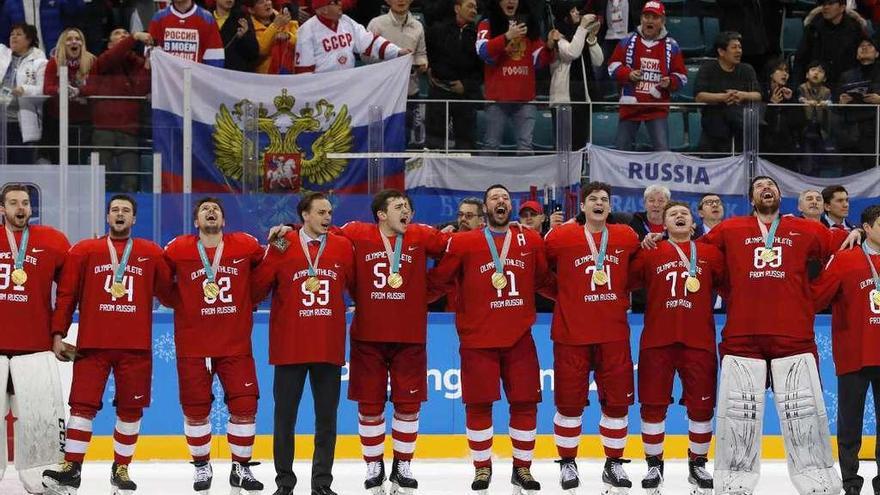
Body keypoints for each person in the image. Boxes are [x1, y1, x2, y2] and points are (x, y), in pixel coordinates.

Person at [644, 176, 855, 495]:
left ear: (780, 196)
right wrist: (658, 239)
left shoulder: (806, 229)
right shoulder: (730, 229)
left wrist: (815, 293)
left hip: (793, 335)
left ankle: (815, 477)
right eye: (759, 187)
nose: (766, 189)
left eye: (771, 185)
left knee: (805, 411)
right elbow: (693, 256)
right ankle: (734, 478)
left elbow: (844, 254)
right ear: (750, 198)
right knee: (738, 415)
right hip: (743, 336)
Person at [428, 184, 554, 493]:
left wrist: (577, 299)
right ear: (486, 208)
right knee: (478, 404)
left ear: (510, 207)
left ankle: (522, 469)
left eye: (506, 197)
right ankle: (482, 468)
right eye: (495, 197)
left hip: (519, 337)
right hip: (477, 339)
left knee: (525, 403)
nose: (501, 201)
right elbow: (440, 281)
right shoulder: (464, 242)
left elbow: (543, 281)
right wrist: (404, 300)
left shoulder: (531, 240)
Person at [43, 194, 173, 494]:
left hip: (135, 347)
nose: (120, 214)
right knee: (81, 406)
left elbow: (170, 294)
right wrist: (58, 333)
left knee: (131, 410)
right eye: (115, 210)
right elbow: (66, 296)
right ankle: (72, 467)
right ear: (107, 216)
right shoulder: (84, 251)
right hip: (92, 345)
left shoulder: (150, 253)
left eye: (126, 210)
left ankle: (121, 468)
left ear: (134, 219)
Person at [338, 190, 448, 494]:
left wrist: (424, 293)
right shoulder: (356, 233)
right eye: (399, 207)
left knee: (408, 403)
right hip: (367, 336)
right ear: (381, 214)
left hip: (409, 335)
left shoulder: (422, 236)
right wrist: (283, 236)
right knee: (370, 404)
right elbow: (317, 236)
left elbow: (456, 253)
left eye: (409, 208)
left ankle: (403, 464)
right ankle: (374, 464)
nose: (407, 212)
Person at [252, 192, 354, 495]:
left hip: (327, 346)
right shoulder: (283, 243)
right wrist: (272, 244)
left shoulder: (342, 246)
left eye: (329, 213)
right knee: (285, 419)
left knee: (327, 421)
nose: (327, 217)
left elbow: (357, 286)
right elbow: (257, 288)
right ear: (304, 215)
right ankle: (285, 483)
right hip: (290, 348)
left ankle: (322, 483)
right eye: (320, 212)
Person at [542, 181, 640, 492]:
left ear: (610, 207)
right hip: (572, 334)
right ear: (582, 207)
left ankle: (613, 464)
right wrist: (565, 297)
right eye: (593, 199)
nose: (599, 203)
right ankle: (568, 463)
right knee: (569, 405)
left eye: (604, 199)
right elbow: (538, 272)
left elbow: (637, 273)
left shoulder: (627, 236)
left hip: (613, 335)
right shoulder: (561, 237)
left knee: (617, 405)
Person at [163, 197, 265, 494]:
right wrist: (179, 302)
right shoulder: (178, 248)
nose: (210, 212)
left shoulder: (244, 244)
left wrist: (251, 299)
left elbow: (269, 267)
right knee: (196, 410)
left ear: (224, 220)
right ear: (196, 222)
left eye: (216, 209)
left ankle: (241, 468)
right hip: (193, 344)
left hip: (235, 343)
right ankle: (201, 466)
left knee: (245, 405)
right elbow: (159, 279)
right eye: (204, 210)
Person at [629, 201, 724, 494]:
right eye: (673, 214)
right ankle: (654, 464)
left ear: (693, 224)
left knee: (702, 407)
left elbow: (732, 287)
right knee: (653, 406)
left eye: (685, 213)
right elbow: (626, 282)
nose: (680, 216)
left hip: (700, 341)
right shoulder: (651, 252)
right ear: (663, 225)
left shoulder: (710, 254)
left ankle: (698, 465)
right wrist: (640, 246)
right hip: (658, 340)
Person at [0, 184, 70, 494]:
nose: (20, 208)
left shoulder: (52, 242)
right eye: (13, 202)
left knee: (41, 419)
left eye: (25, 202)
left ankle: (42, 480)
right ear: (2, 208)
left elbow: (68, 293)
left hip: (36, 348)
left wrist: (59, 332)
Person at [811, 204, 880, 495]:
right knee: (849, 424)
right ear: (866, 227)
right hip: (854, 353)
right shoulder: (844, 259)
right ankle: (851, 482)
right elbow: (817, 298)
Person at [476, 0, 558, 152]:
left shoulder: (528, 24)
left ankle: (526, 177)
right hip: (497, 99)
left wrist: (549, 46)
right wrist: (506, 36)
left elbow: (538, 61)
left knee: (525, 148)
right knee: (491, 145)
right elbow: (483, 51)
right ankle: (485, 176)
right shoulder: (487, 23)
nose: (511, 1)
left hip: (525, 99)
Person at [608, 1, 686, 151]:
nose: (649, 21)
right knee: (620, 151)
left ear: (662, 21)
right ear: (641, 19)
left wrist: (670, 81)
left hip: (656, 108)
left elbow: (682, 76)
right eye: (646, 16)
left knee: (662, 152)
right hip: (630, 107)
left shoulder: (672, 46)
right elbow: (612, 67)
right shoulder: (627, 41)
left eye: (654, 17)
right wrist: (628, 74)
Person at [81, 28, 151, 193]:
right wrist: (134, 36)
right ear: (110, 44)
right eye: (117, 33)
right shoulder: (103, 60)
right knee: (102, 180)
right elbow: (114, 55)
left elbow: (141, 90)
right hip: (103, 129)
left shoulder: (137, 63)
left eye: (126, 34)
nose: (123, 36)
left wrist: (147, 67)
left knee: (131, 180)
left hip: (129, 129)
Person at [367, 0, 428, 146]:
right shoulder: (376, 24)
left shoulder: (418, 26)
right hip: (382, 91)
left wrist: (422, 63)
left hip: (409, 90)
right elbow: (366, 55)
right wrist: (394, 57)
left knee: (404, 137)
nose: (401, 1)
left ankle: (401, 168)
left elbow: (421, 53)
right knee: (379, 137)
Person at [425, 0, 483, 150]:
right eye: (470, 6)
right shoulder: (437, 30)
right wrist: (431, 70)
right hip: (439, 91)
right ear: (457, 8)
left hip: (465, 95)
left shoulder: (478, 35)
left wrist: (465, 85)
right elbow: (428, 54)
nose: (474, 11)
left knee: (466, 145)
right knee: (435, 144)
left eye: (476, 8)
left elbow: (481, 69)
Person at [294, 0, 409, 74]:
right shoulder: (306, 31)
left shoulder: (346, 21)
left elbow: (370, 42)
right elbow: (304, 71)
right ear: (323, 9)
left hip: (347, 85)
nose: (340, 4)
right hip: (323, 90)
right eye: (335, 2)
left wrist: (397, 52)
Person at [694, 31, 761, 154]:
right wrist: (723, 97)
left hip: (741, 126)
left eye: (740, 47)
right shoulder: (708, 68)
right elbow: (699, 96)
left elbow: (757, 95)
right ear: (721, 52)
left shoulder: (747, 69)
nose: (739, 51)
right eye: (734, 47)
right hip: (714, 124)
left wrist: (743, 95)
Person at [549, 4, 603, 150]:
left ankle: (579, 173)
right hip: (564, 101)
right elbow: (572, 53)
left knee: (580, 145)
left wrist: (591, 38)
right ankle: (563, 174)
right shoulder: (557, 35)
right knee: (564, 148)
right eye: (572, 11)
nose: (577, 13)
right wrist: (583, 28)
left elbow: (598, 61)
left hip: (583, 98)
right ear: (565, 16)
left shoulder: (580, 35)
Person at [41, 27, 93, 165]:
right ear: (63, 44)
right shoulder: (55, 62)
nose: (74, 42)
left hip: (83, 122)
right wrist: (60, 90)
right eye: (69, 39)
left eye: (78, 39)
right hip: (57, 120)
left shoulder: (92, 61)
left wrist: (79, 91)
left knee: (78, 161)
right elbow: (47, 88)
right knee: (58, 161)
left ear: (82, 43)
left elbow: (97, 87)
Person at [0, 23, 47, 164]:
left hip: (21, 124)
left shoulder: (40, 62)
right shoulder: (1, 55)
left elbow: (43, 90)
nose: (13, 37)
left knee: (21, 167)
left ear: (29, 39)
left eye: (19, 34)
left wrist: (24, 89)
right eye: (12, 34)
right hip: (0, 121)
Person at [794, 0, 866, 89]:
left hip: (846, 84)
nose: (826, 7)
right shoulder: (813, 28)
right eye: (824, 4)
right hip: (817, 84)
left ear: (842, 8)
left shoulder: (854, 29)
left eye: (831, 4)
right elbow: (801, 58)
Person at [835, 36, 880, 172]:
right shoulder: (846, 76)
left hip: (876, 130)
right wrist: (841, 103)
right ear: (856, 54)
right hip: (852, 132)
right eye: (861, 46)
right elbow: (836, 106)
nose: (864, 48)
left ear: (877, 53)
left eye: (869, 45)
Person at [148, 0, 225, 66]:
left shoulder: (207, 18)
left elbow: (215, 59)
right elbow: (151, 60)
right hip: (168, 81)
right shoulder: (158, 18)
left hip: (196, 81)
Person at [797, 61, 833, 174]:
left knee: (819, 159)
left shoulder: (826, 91)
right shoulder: (802, 88)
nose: (816, 73)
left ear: (825, 78)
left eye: (820, 71)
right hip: (805, 129)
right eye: (813, 70)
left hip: (821, 129)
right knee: (807, 160)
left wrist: (826, 103)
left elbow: (831, 102)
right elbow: (799, 99)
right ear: (807, 75)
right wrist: (806, 101)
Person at [252, 0, 298, 74]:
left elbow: (300, 46)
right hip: (265, 77)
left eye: (268, 0)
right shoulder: (250, 28)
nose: (267, 3)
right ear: (251, 10)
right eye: (261, 2)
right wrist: (274, 26)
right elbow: (261, 50)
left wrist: (289, 36)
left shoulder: (286, 20)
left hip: (289, 73)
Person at [212, 0, 258, 72]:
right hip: (209, 72)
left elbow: (254, 53)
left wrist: (244, 37)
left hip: (235, 74)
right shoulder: (205, 18)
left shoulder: (242, 18)